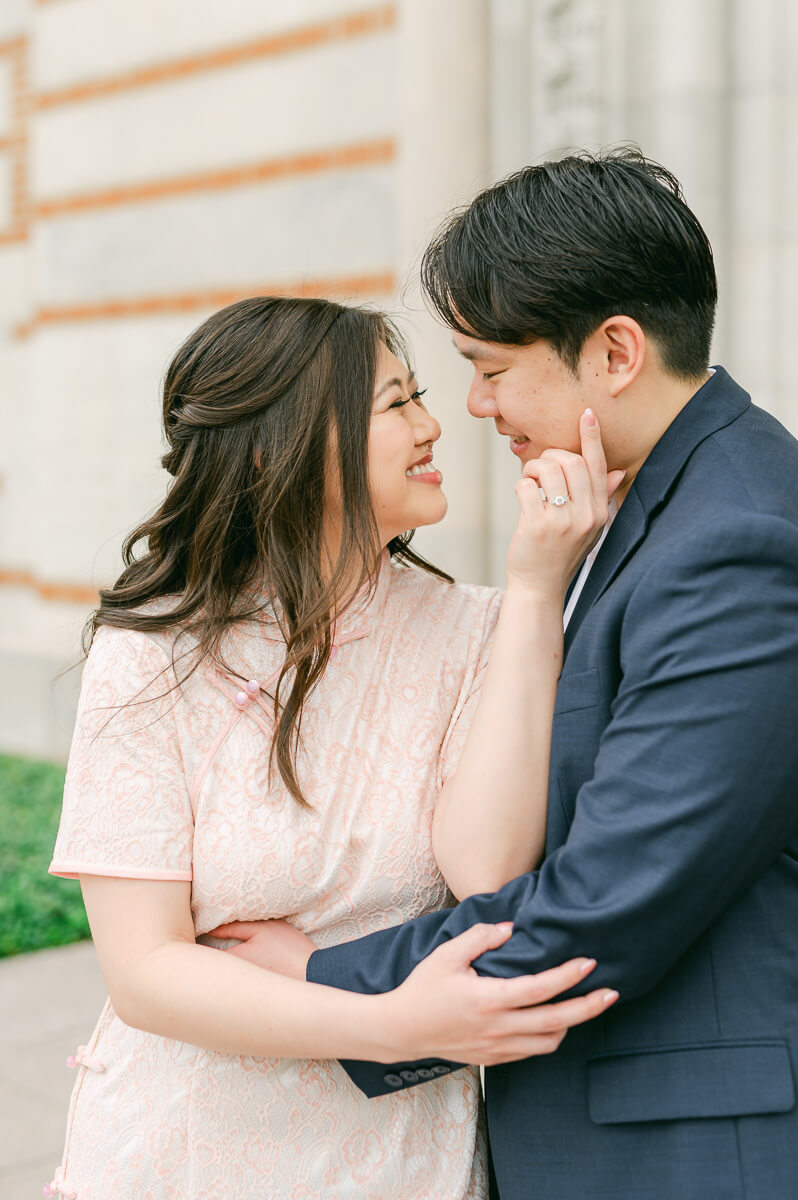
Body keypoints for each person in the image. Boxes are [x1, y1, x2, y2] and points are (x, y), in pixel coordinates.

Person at [237, 150, 798, 1199]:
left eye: (492, 368)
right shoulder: (643, 503)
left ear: (616, 351)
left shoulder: (738, 542)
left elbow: (607, 902)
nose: (474, 407)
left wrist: (322, 985)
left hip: (688, 1155)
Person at [46, 295, 621, 1200]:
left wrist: (537, 585)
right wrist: (392, 1023)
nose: (435, 425)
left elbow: (486, 866)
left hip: (407, 1163)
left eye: (419, 395)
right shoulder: (154, 653)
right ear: (280, 448)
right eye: (395, 404)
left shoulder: (481, 629)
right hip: (186, 1157)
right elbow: (146, 972)